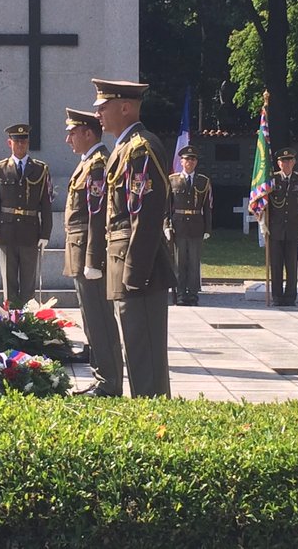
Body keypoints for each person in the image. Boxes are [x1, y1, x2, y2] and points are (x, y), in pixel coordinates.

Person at [92, 78, 175, 398]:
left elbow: (147, 214)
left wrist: (134, 272)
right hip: (125, 265)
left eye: (103, 106)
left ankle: (156, 426)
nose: (97, 112)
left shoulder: (141, 147)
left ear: (125, 107)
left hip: (139, 270)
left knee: (145, 360)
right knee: (137, 354)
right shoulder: (125, 148)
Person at [62, 108, 123, 397]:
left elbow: (97, 215)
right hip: (81, 253)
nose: (67, 139)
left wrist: (93, 259)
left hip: (90, 255)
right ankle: (102, 377)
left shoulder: (97, 164)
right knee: (92, 319)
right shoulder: (88, 163)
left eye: (72, 132)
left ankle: (109, 382)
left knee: (100, 320)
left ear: (88, 133)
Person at [0, 123, 53, 307]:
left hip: (30, 232)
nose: (21, 145)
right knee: (9, 282)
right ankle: (12, 324)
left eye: (24, 141)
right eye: (17, 141)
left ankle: (28, 325)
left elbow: (46, 204)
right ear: (10, 143)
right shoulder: (0, 168)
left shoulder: (40, 169)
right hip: (7, 232)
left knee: (28, 283)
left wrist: (45, 233)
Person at [262, 147, 298, 306]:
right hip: (275, 229)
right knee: (276, 265)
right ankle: (277, 296)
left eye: (289, 161)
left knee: (292, 264)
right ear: (278, 163)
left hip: (293, 228)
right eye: (283, 161)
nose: (286, 164)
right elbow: (264, 205)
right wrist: (263, 224)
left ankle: (290, 297)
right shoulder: (271, 180)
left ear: (294, 162)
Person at [165, 145, 213, 306]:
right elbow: (167, 207)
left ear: (196, 162)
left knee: (194, 262)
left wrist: (207, 228)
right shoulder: (172, 180)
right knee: (179, 262)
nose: (190, 162)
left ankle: (192, 294)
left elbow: (207, 207)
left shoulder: (203, 181)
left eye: (192, 159)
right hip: (178, 226)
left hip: (196, 226)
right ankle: (179, 294)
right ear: (181, 161)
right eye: (187, 159)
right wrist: (166, 225)